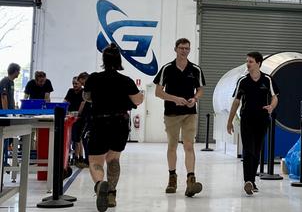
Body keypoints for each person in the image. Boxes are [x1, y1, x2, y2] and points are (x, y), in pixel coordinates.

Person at [84, 44, 143, 212]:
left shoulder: (93, 78)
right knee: (113, 159)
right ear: (119, 60)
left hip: (99, 123)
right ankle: (111, 193)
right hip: (120, 124)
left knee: (95, 162)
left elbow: (87, 97)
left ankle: (100, 184)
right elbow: (138, 100)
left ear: (103, 60)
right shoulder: (126, 81)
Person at [154, 38, 205, 197]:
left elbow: (200, 90)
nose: (184, 51)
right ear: (175, 49)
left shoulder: (195, 69)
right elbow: (158, 92)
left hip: (190, 113)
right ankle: (172, 178)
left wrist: (195, 99)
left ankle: (191, 180)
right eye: (181, 48)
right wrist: (175, 99)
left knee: (189, 145)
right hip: (171, 114)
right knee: (172, 146)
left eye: (187, 48)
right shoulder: (166, 69)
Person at [226, 51, 279, 196]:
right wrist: (229, 121)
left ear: (258, 63)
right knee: (248, 149)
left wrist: (271, 107)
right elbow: (236, 102)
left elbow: (275, 97)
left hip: (262, 120)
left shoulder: (267, 80)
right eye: (247, 61)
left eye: (250, 61)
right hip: (247, 119)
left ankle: (252, 182)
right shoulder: (242, 81)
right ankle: (248, 181)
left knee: (256, 150)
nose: (247, 64)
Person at [64, 76, 87, 168]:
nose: (74, 85)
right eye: (73, 84)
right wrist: (61, 108)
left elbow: (82, 104)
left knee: (78, 139)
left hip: (79, 117)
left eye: (76, 84)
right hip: (71, 116)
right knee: (74, 138)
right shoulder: (70, 91)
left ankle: (78, 157)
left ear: (80, 84)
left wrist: (78, 114)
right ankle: (77, 157)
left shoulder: (83, 92)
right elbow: (65, 101)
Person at [0, 63, 20, 165]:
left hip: (10, 112)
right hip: (4, 114)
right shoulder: (5, 81)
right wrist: (6, 112)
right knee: (4, 137)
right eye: (18, 71)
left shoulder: (12, 83)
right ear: (15, 71)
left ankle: (5, 160)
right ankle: (2, 161)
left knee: (8, 138)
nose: (19, 73)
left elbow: (10, 98)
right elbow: (4, 97)